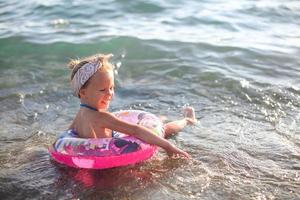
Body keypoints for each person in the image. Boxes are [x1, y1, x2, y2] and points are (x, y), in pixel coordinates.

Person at [67, 53, 197, 158]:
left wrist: (168, 146)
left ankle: (187, 120)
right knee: (160, 126)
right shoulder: (100, 117)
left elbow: (67, 135)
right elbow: (136, 130)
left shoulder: (80, 116)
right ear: (83, 92)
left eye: (112, 87)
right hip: (114, 145)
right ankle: (168, 118)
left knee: (164, 129)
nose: (110, 94)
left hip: (119, 142)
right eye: (103, 90)